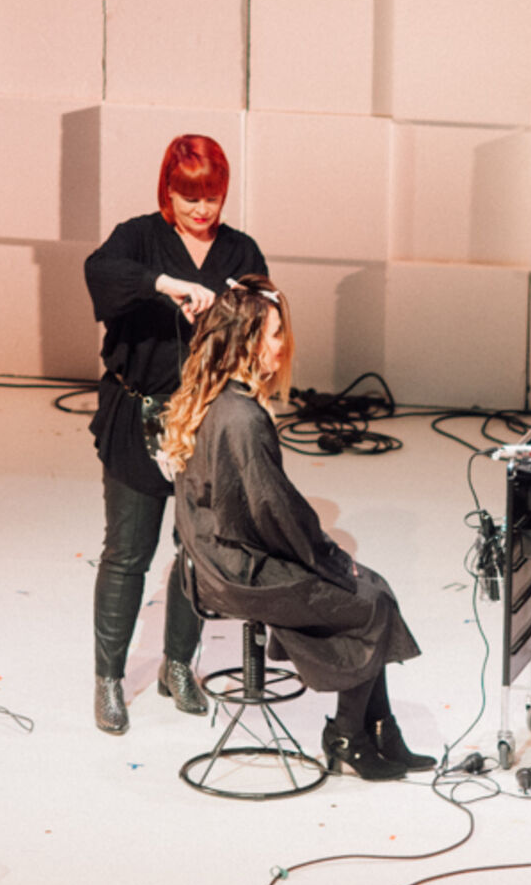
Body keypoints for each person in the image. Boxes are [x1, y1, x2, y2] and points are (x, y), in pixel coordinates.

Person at [161, 276, 432, 780]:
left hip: (219, 559)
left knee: (374, 590)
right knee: (369, 602)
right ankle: (348, 737)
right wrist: (329, 558)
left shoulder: (218, 398)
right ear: (247, 342)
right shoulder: (243, 419)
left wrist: (327, 556)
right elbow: (274, 512)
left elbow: (264, 508)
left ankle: (380, 730)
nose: (284, 344)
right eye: (275, 333)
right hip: (236, 572)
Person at [83, 135, 268, 734]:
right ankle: (109, 679)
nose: (202, 210)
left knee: (196, 550)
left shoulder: (239, 249)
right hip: (138, 415)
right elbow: (101, 273)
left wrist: (226, 315)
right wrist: (167, 285)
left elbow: (261, 321)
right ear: (168, 190)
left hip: (207, 421)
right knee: (127, 553)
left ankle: (178, 665)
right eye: (190, 198)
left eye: (211, 197)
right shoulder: (138, 237)